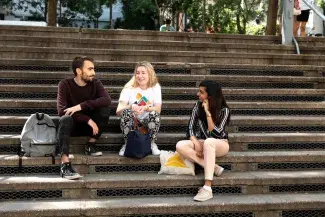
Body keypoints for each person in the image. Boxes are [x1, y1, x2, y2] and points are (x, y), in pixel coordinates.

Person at [57, 56, 111, 180]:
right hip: (72, 126)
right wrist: (87, 119)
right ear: (79, 71)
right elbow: (62, 111)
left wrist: (80, 106)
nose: (94, 72)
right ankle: (65, 165)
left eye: (94, 69)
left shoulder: (95, 83)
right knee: (65, 119)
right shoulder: (65, 84)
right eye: (90, 69)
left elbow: (107, 100)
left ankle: (90, 145)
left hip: (91, 129)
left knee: (105, 110)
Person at [176, 80, 230, 202]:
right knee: (180, 145)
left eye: (201, 92)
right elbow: (190, 127)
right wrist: (195, 142)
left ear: (210, 95)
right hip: (203, 142)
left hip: (220, 144)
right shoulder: (197, 106)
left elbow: (215, 133)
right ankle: (214, 167)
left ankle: (207, 188)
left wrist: (207, 113)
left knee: (209, 141)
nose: (197, 94)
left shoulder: (224, 110)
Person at [116, 61, 162, 156]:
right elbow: (118, 111)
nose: (140, 76)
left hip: (147, 123)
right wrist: (131, 106)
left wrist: (145, 108)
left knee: (154, 114)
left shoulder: (155, 87)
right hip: (133, 122)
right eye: (137, 73)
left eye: (143, 73)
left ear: (150, 74)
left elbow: (158, 109)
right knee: (126, 112)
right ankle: (127, 143)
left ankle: (151, 143)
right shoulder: (128, 88)